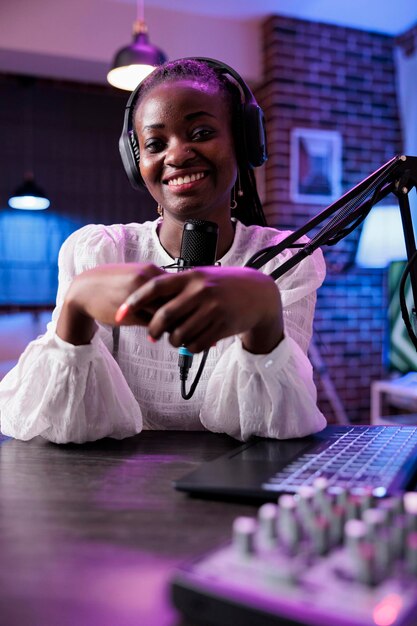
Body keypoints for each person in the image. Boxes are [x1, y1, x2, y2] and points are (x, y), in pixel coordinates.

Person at [0, 58, 327, 444]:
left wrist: (264, 316)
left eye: (201, 131)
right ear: (136, 163)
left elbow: (278, 426)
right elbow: (56, 426)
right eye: (156, 143)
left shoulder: (284, 259)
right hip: (114, 489)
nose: (176, 155)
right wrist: (76, 307)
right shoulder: (100, 251)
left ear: (243, 141)